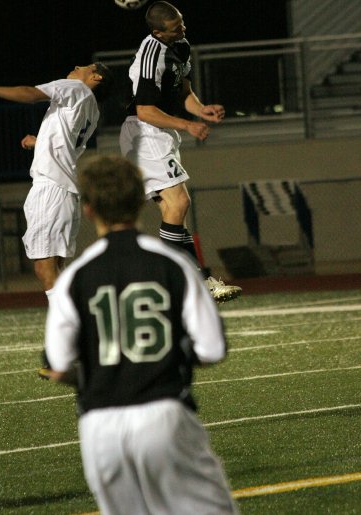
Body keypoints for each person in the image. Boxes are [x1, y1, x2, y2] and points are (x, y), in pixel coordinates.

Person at [43, 154, 240, 515]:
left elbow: (57, 363)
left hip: (99, 426)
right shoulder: (173, 263)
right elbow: (212, 348)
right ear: (139, 202)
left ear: (88, 209)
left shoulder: (74, 276)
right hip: (163, 411)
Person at [119, 0, 241, 303]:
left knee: (174, 212)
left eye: (182, 22)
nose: (183, 29)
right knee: (180, 202)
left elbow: (183, 90)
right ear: (159, 32)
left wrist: (201, 111)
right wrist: (188, 126)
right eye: (176, 27)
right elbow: (146, 110)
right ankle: (167, 279)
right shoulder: (151, 54)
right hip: (144, 131)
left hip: (161, 131)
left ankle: (198, 281)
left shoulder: (181, 46)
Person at [0, 63, 113, 300]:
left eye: (86, 66)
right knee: (56, 268)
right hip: (64, 189)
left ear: (95, 76)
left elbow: (31, 94)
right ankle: (80, 325)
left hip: (52, 187)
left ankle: (67, 331)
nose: (77, 66)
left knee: (44, 267)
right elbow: (68, 146)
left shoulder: (76, 88)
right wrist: (40, 142)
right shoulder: (93, 110)